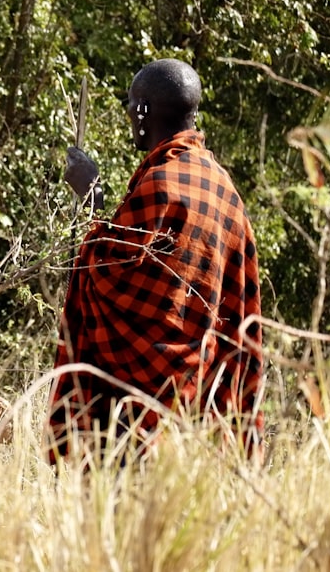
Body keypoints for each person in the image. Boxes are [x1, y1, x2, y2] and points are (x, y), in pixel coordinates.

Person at [44, 59, 265, 463]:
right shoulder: (222, 187)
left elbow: (109, 276)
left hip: (133, 408)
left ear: (143, 111)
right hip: (198, 402)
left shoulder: (161, 184)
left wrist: (91, 199)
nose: (129, 113)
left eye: (131, 104)